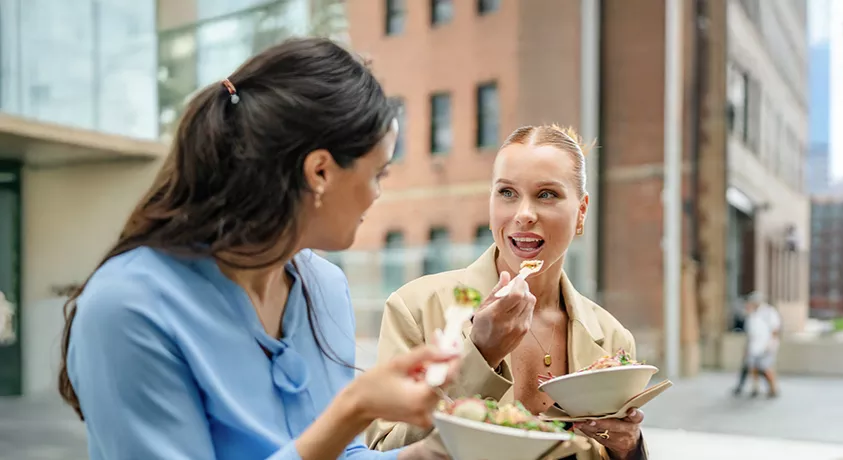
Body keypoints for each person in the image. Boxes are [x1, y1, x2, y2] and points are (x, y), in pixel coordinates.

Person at [58, 37, 458, 460]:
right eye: (378, 173)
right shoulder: (128, 308)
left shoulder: (324, 286)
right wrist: (353, 409)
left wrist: (430, 454)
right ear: (320, 171)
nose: (377, 194)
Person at [367, 125, 648, 460]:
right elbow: (384, 450)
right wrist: (480, 356)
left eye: (547, 194)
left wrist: (628, 448)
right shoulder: (416, 309)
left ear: (582, 212)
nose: (524, 214)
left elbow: (611, 445)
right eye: (507, 193)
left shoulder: (613, 339)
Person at [733, 291, 781, 398]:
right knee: (753, 367)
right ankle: (755, 387)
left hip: (766, 345)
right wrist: (747, 347)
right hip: (754, 346)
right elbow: (750, 333)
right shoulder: (752, 314)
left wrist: (771, 344)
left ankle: (773, 389)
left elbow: (775, 329)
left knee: (766, 368)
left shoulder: (769, 312)